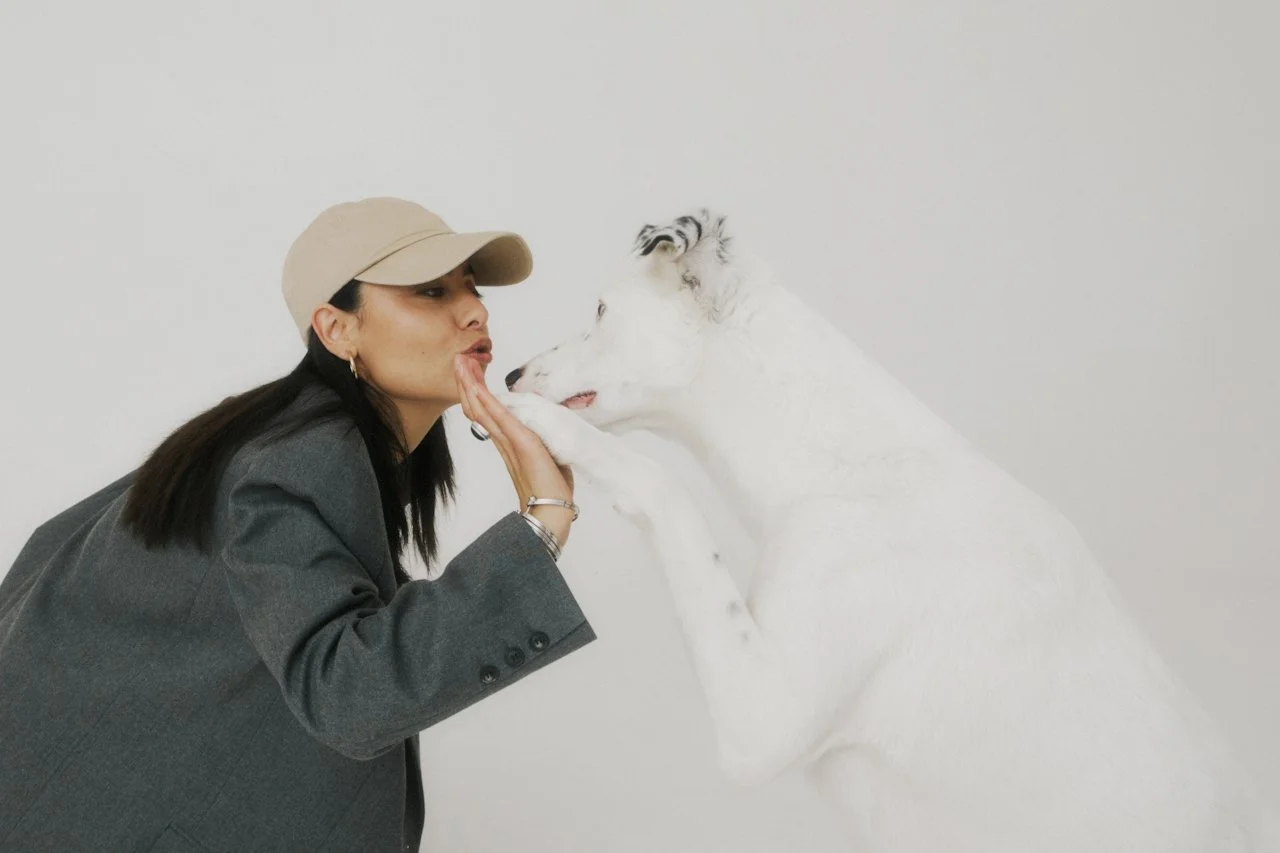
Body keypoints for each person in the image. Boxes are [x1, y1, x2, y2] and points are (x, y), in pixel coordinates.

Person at [0, 197, 596, 852]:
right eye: (429, 290)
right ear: (337, 330)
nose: (474, 310)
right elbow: (347, 692)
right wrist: (541, 522)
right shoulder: (294, 462)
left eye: (470, 287)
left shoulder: (290, 445)